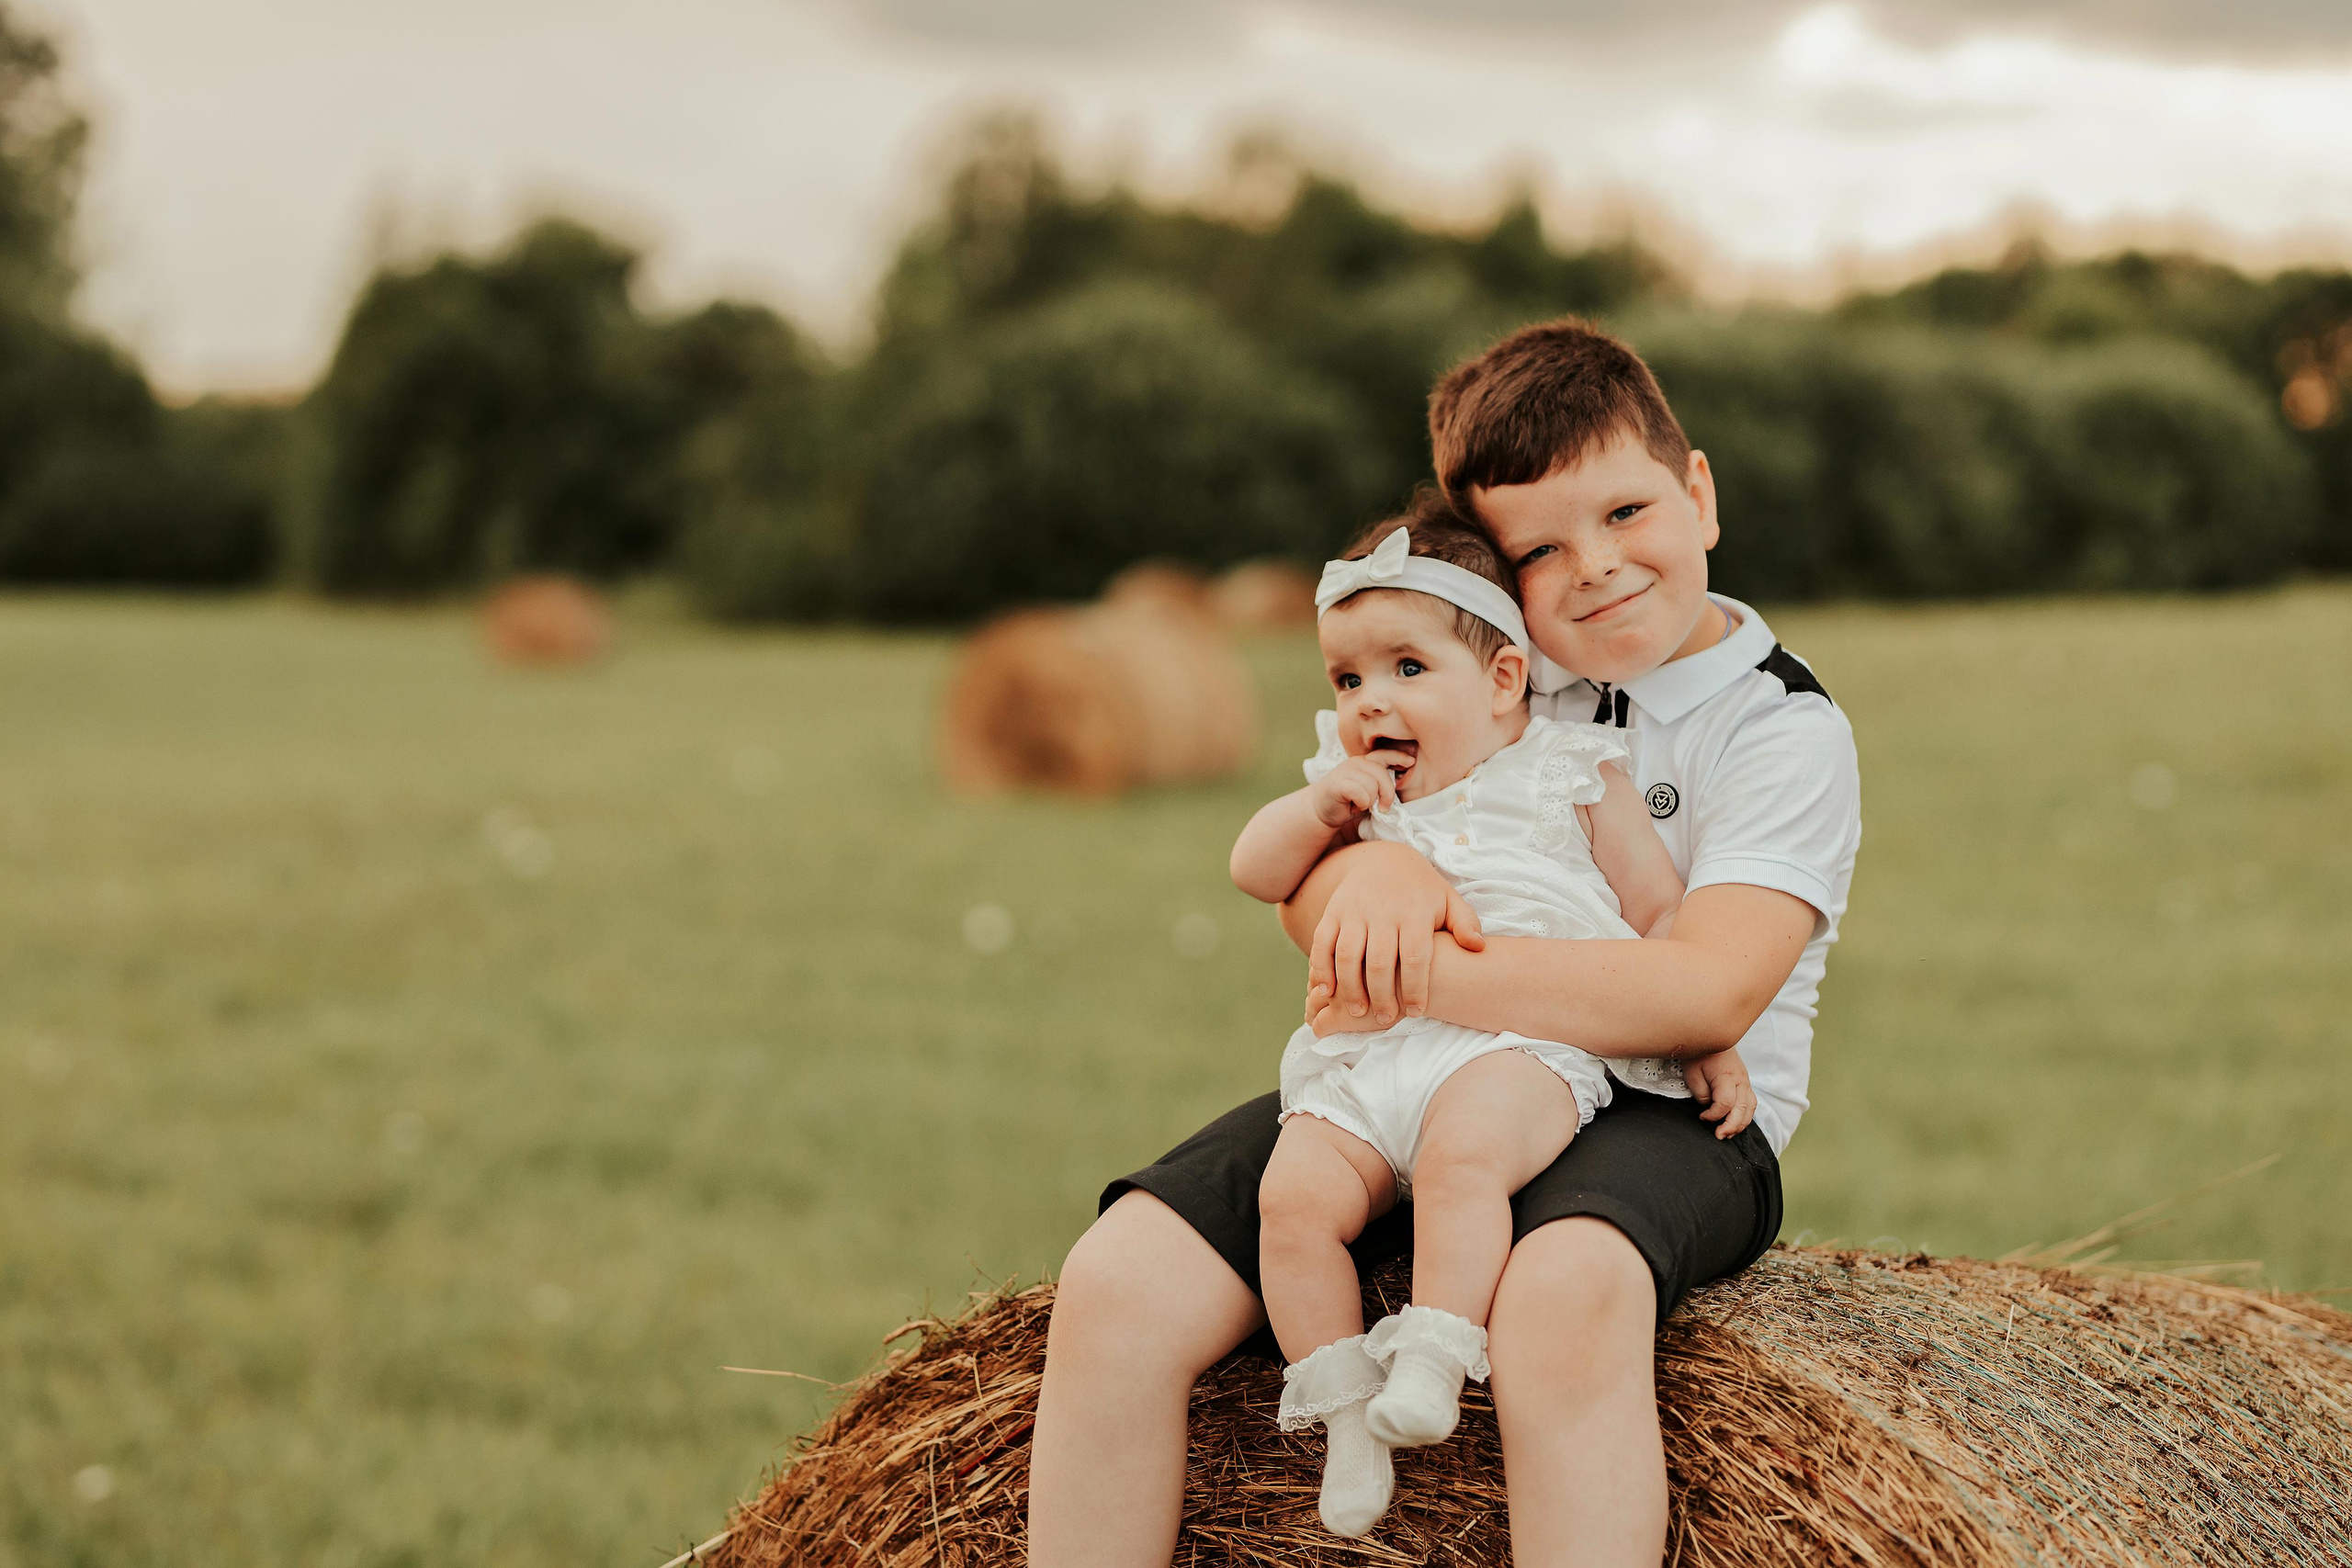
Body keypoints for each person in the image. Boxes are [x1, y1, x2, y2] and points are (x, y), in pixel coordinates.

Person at [1028, 318, 1861, 1567]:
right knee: (1115, 1282)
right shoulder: (1453, 665)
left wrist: (1419, 949)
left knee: (1562, 1299)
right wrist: (1378, 868)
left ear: (1699, 493)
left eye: (1628, 511)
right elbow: (1312, 899)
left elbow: (1702, 987)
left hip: (1678, 1105)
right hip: (1408, 1056)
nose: (1595, 567)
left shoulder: (1780, 724)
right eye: (1539, 547)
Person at [1228, 502, 1755, 1538]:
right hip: (1372, 1054)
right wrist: (1322, 811)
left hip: (1523, 1046)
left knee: (1465, 1157)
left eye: (1406, 671)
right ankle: (1342, 1413)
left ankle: (1431, 1352)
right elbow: (1254, 871)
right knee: (1291, 1203)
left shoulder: (1568, 769)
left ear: (1505, 681)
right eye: (1346, 681)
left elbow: (1657, 914)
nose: (1370, 702)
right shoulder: (1354, 797)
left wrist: (1707, 1034)